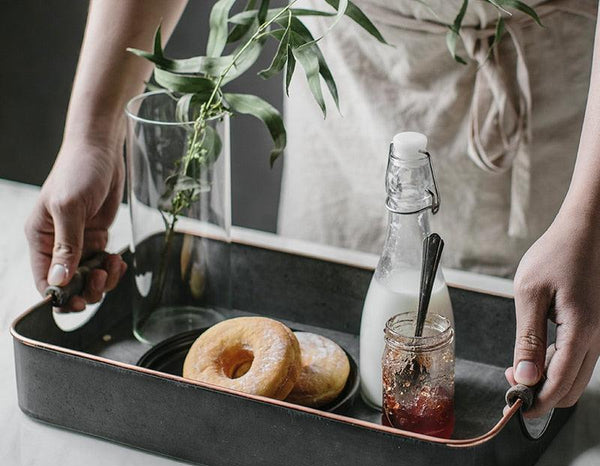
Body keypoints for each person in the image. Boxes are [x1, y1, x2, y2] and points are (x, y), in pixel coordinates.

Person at [25, 0, 600, 419]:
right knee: (330, 318)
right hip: (353, 88)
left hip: (569, 129)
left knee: (558, 376)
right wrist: (93, 135)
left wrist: (589, 220)